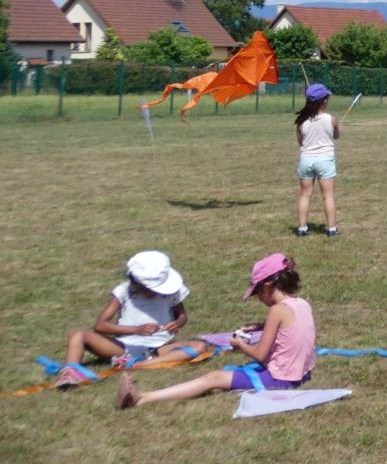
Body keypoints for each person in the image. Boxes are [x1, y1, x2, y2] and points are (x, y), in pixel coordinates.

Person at [116, 253, 315, 409]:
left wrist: (239, 344)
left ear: (268, 286)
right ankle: (142, 397)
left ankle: (142, 398)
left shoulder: (276, 310)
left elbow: (260, 355)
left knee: (213, 378)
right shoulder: (301, 304)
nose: (258, 299)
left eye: (257, 294)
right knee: (224, 375)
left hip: (281, 380)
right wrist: (261, 326)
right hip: (301, 373)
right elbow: (291, 326)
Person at [57, 251, 197, 388]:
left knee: (199, 346)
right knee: (77, 334)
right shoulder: (123, 292)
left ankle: (138, 364)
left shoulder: (173, 291)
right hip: (123, 347)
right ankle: (71, 373)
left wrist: (177, 323)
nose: (155, 293)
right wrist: (136, 330)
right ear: (136, 283)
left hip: (160, 346)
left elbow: (182, 316)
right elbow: (100, 326)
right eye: (150, 289)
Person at [293, 82, 340, 237]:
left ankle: (302, 228)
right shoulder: (331, 119)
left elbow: (301, 142)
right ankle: (331, 229)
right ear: (324, 101)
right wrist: (336, 126)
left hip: (306, 160)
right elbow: (336, 136)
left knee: (305, 195)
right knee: (328, 195)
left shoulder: (301, 121)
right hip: (325, 160)